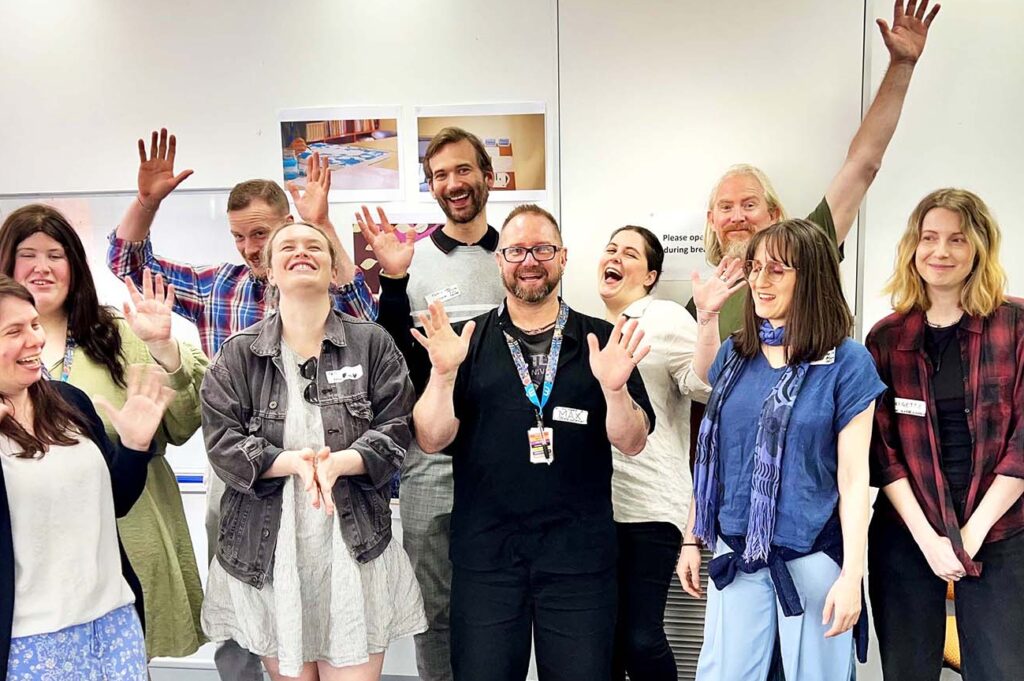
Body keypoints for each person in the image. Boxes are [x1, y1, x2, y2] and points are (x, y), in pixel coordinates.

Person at [106, 128, 378, 680]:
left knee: (318, 598)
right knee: (239, 591)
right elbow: (127, 263)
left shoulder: (321, 280)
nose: (251, 249)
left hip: (325, 472)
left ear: (287, 225)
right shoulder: (218, 288)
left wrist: (322, 226)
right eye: (239, 237)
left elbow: (364, 316)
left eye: (261, 233)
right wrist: (146, 204)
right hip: (239, 466)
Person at [412, 204, 655, 681]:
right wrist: (442, 376)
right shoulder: (464, 342)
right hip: (487, 559)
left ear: (562, 257)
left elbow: (633, 442)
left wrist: (614, 389)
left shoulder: (603, 340)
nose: (529, 260)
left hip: (579, 560)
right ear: (499, 261)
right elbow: (430, 437)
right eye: (517, 250)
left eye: (542, 248)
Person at [199, 221, 425, 680]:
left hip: (353, 544)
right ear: (269, 271)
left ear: (333, 266)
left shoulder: (372, 343)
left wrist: (341, 462)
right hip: (269, 550)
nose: (301, 252)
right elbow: (221, 442)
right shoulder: (238, 354)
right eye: (288, 247)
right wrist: (290, 463)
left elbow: (397, 426)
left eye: (313, 246)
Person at [678, 219, 885, 680]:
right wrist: (693, 537)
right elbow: (716, 456)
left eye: (777, 270)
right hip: (739, 550)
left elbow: (854, 481)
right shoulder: (738, 353)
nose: (759, 280)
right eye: (755, 268)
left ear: (809, 278)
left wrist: (853, 577)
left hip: (811, 558)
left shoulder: (848, 362)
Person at [0, 204, 209, 660]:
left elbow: (181, 421)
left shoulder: (113, 331)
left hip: (124, 524)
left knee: (126, 655)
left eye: (55, 255)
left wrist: (163, 349)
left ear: (74, 264)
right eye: (27, 254)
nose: (41, 267)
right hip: (28, 559)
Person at [690, 0, 941, 336]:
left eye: (749, 205)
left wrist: (902, 65)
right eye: (726, 207)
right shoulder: (700, 302)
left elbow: (863, 164)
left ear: (774, 212)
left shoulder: (805, 249)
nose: (737, 216)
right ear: (712, 220)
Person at [356, 126, 506, 681]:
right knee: (434, 609)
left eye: (463, 170)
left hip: (503, 457)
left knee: (498, 602)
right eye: (440, 175)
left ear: (487, 176)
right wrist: (394, 283)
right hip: (430, 458)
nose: (453, 183)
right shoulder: (410, 259)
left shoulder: (516, 257)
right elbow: (392, 359)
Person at [866, 189, 1024, 680]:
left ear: (979, 247)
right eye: (929, 238)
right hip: (908, 531)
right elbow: (883, 450)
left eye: (957, 239)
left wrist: (970, 535)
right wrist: (931, 540)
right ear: (913, 246)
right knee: (907, 670)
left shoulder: (1015, 324)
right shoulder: (887, 338)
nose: (941, 251)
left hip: (1000, 529)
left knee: (1001, 670)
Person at [0, 275, 176, 679]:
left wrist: (134, 446)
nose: (35, 340)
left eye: (34, 324)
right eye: (14, 331)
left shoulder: (67, 402)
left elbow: (114, 502)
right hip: (29, 638)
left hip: (112, 619)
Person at [596, 226, 714, 680]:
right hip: (596, 510)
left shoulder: (663, 318)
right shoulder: (590, 329)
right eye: (611, 249)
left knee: (640, 638)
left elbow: (705, 386)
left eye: (629, 253)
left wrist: (706, 321)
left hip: (650, 508)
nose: (616, 257)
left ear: (650, 275)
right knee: (602, 639)